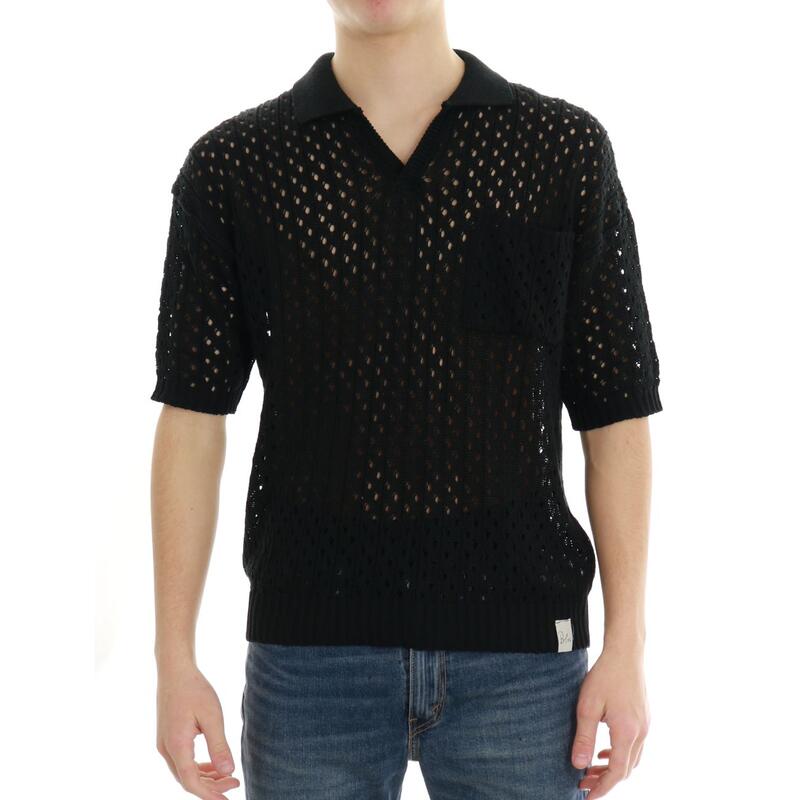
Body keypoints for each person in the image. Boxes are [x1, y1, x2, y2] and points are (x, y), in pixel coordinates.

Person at [150, 2, 662, 799]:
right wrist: (173, 660)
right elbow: (191, 415)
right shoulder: (234, 168)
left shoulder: (561, 151)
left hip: (524, 664)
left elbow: (615, 414)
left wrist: (627, 646)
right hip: (309, 661)